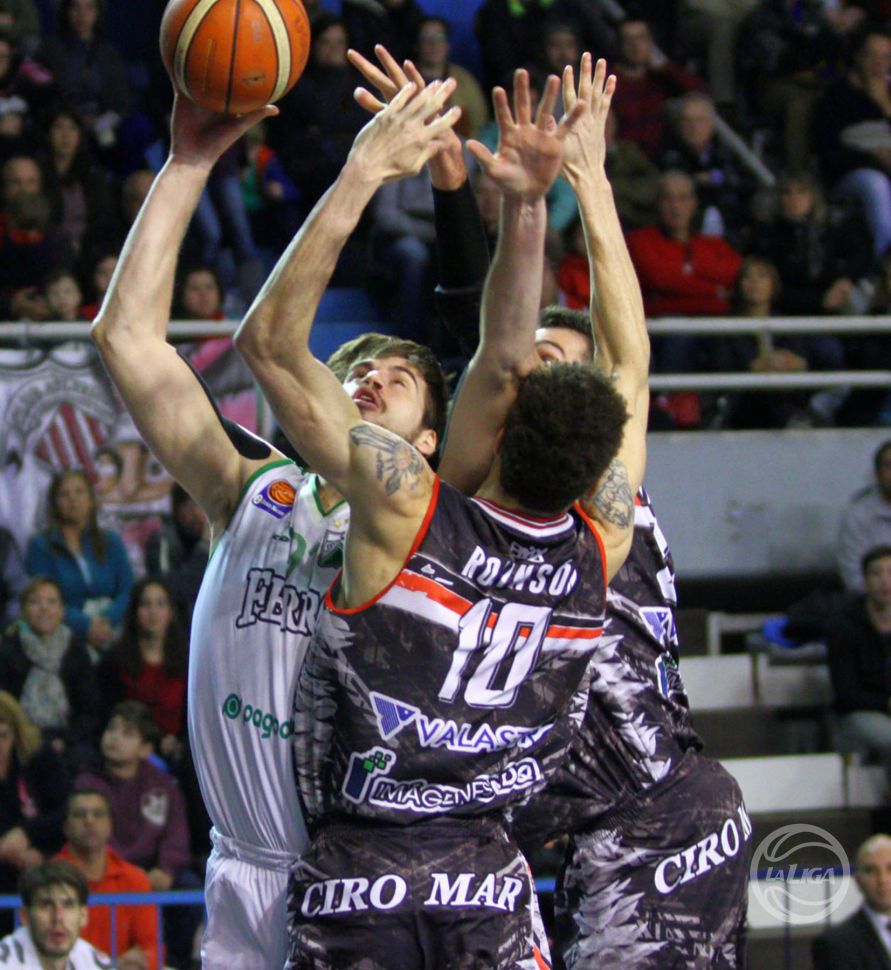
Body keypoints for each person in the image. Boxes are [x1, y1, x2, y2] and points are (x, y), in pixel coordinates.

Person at [234, 65, 636, 967]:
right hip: (489, 876)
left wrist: (366, 173)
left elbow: (270, 344)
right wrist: (554, 196)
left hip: (362, 870)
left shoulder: (409, 506)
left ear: (490, 434)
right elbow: (619, 363)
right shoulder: (601, 546)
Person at [88, 78, 466, 969]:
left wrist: (382, 176)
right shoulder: (254, 485)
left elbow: (483, 336)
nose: (370, 376)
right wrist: (186, 164)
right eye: (356, 367)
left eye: (399, 379)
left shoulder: (427, 523)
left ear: (428, 442)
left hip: (358, 879)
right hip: (239, 869)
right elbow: (126, 341)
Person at [419, 52, 750, 969]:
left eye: (562, 360)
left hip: (654, 812)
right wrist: (474, 197)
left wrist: (592, 183)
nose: (540, 369)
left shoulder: (608, 491)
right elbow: (490, 340)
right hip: (567, 833)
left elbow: (627, 354)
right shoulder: (474, 495)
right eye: (533, 360)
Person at [74, 702, 194, 970]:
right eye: (111, 729)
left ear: (146, 748)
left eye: (127, 733)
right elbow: (92, 837)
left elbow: (176, 834)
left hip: (154, 870)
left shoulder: (162, 784)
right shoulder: (87, 783)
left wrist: (166, 868)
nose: (114, 738)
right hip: (109, 869)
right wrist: (127, 872)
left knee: (188, 885)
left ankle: (176, 962)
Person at [24, 469, 133, 659]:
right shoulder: (40, 547)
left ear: (91, 499)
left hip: (114, 630)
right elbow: (41, 600)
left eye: (79, 492)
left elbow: (127, 590)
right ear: (55, 503)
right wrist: (86, 625)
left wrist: (107, 621)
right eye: (64, 494)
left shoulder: (111, 541)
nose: (73, 499)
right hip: (64, 637)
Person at [55, 789, 159, 970]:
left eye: (98, 814)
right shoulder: (50, 880)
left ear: (110, 825)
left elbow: (151, 948)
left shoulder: (135, 879)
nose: (89, 821)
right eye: (79, 814)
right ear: (66, 827)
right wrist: (109, 967)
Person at [0, 577, 100, 754]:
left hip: (68, 738)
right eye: (34, 602)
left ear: (62, 611)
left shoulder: (75, 649)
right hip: (20, 738)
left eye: (52, 602)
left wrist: (65, 740)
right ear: (23, 611)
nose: (44, 608)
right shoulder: (9, 650)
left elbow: (90, 710)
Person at [96, 578, 187, 757]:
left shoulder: (187, 662)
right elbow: (106, 715)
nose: (153, 612)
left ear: (171, 612)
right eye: (145, 604)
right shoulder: (114, 661)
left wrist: (179, 743)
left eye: (160, 604)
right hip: (130, 751)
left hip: (176, 750)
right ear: (135, 611)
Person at [0, 692, 70, 925]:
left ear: (16, 733)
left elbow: (64, 810)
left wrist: (28, 835)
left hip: (43, 863)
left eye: (3, 736)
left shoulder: (40, 758)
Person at [825, 545, 891, 781]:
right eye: (876, 573)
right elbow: (846, 693)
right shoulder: (843, 626)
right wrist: (886, 703)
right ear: (864, 581)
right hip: (860, 712)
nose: (885, 581)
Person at [0, 860, 111, 969]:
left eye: (68, 905)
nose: (58, 917)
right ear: (25, 916)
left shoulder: (93, 962)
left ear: (83, 916)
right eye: (46, 905)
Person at [813, 833, 891, 969]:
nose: (882, 879)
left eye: (890, 869)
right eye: (871, 871)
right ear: (858, 880)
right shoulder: (836, 945)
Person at [838, 441, 891, 593]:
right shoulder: (858, 515)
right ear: (877, 473)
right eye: (888, 466)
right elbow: (852, 575)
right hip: (875, 601)